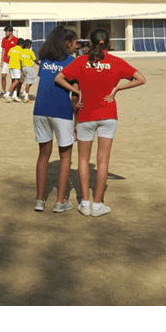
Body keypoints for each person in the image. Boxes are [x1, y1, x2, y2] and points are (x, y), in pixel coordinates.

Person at [56, 28, 143, 217]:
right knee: (103, 161)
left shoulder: (81, 61)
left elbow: (59, 78)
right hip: (108, 114)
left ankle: (85, 203)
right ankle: (97, 204)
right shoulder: (116, 62)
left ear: (90, 41)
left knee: (83, 160)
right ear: (109, 42)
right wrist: (118, 88)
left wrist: (78, 92)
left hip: (86, 114)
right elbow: (141, 79)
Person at [32, 26, 81, 212]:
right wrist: (77, 122)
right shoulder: (72, 62)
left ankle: (39, 199)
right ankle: (60, 202)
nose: (76, 46)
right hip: (61, 111)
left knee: (43, 154)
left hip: (40, 110)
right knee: (65, 156)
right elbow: (75, 96)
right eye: (75, 42)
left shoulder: (45, 61)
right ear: (67, 43)